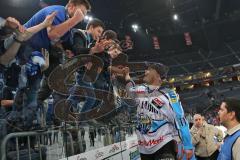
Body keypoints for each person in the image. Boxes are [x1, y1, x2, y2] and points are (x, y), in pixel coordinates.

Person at [123, 63, 193, 160]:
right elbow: (129, 90)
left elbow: (180, 119)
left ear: (158, 76)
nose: (145, 72)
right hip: (144, 149)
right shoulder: (141, 90)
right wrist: (127, 76)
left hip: (164, 145)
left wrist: (187, 144)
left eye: (149, 70)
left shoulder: (169, 95)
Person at [18, 0, 91, 64]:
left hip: (37, 51)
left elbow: (56, 41)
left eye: (83, 15)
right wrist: (75, 19)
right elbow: (52, 34)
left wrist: (63, 52)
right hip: (24, 43)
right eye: (81, 12)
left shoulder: (67, 21)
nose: (82, 17)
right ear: (71, 6)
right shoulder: (58, 11)